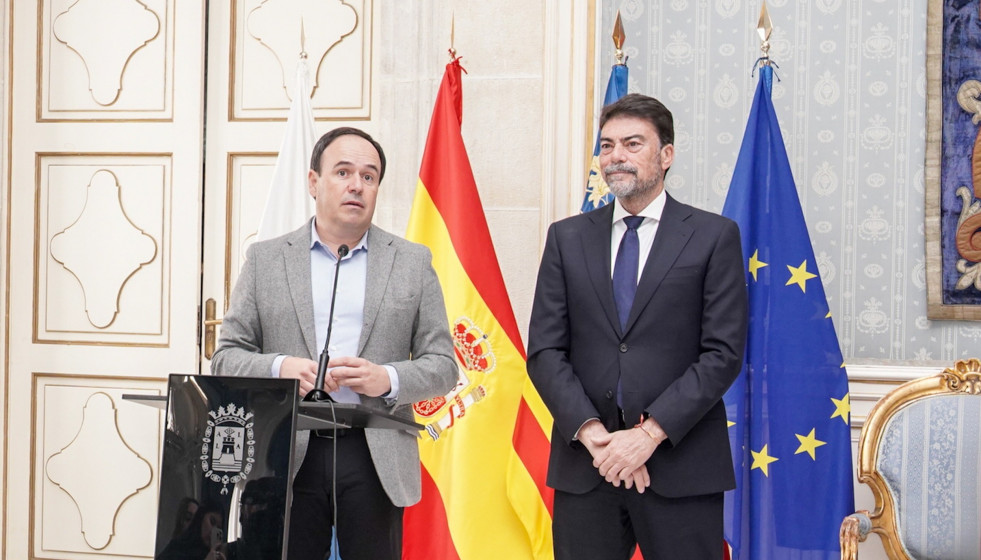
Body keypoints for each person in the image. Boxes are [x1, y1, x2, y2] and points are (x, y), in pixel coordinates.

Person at [211, 126, 457, 560]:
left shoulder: (412, 262)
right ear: (313, 182)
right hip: (285, 452)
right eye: (343, 172)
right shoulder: (266, 259)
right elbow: (226, 358)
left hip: (373, 452)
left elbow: (443, 365)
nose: (356, 185)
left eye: (368, 176)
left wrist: (388, 378)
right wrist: (279, 368)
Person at [526, 93, 748, 559]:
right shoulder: (566, 238)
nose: (616, 157)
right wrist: (596, 437)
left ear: (666, 155)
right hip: (588, 467)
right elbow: (545, 351)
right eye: (607, 146)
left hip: (679, 465)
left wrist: (647, 436)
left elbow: (722, 354)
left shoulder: (713, 236)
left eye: (632, 143)